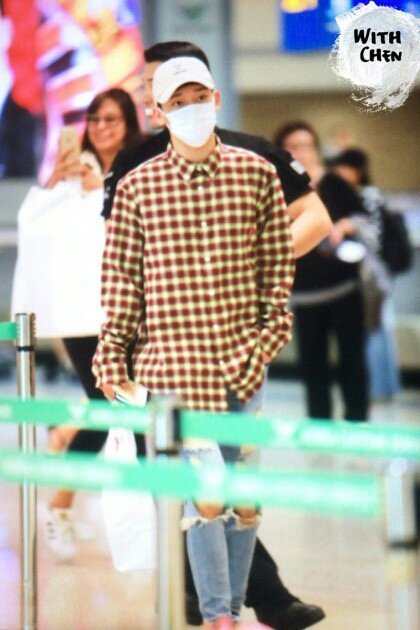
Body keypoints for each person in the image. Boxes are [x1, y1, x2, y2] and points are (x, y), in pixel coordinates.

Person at [99, 41, 328, 630]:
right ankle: (219, 617)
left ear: (217, 97)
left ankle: (229, 608)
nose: (191, 108)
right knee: (204, 497)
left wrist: (265, 340)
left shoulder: (257, 172)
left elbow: (277, 269)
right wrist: (112, 360)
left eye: (199, 96)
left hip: (242, 361)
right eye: (177, 100)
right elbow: (122, 279)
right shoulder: (138, 185)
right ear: (158, 110)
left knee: (243, 501)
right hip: (172, 368)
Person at [44, 88, 143, 561]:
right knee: (108, 408)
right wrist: (63, 185)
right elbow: (43, 224)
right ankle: (60, 506)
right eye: (96, 119)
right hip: (82, 311)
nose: (102, 127)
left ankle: (71, 502)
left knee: (125, 409)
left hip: (130, 309)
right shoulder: (73, 170)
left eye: (112, 119)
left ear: (128, 124)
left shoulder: (140, 167)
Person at [275, 121, 369, 422]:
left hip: (343, 288)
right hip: (304, 293)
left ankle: (357, 424)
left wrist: (344, 225)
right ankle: (319, 428)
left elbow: (364, 216)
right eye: (293, 147)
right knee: (313, 366)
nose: (301, 152)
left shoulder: (334, 182)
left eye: (306, 145)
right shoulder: (278, 188)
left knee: (352, 361)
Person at [330, 148, 400, 401]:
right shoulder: (367, 194)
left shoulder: (367, 196)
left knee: (374, 331)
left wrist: (350, 225)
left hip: (373, 275)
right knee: (379, 330)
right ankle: (385, 387)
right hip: (376, 274)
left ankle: (378, 388)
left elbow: (373, 237)